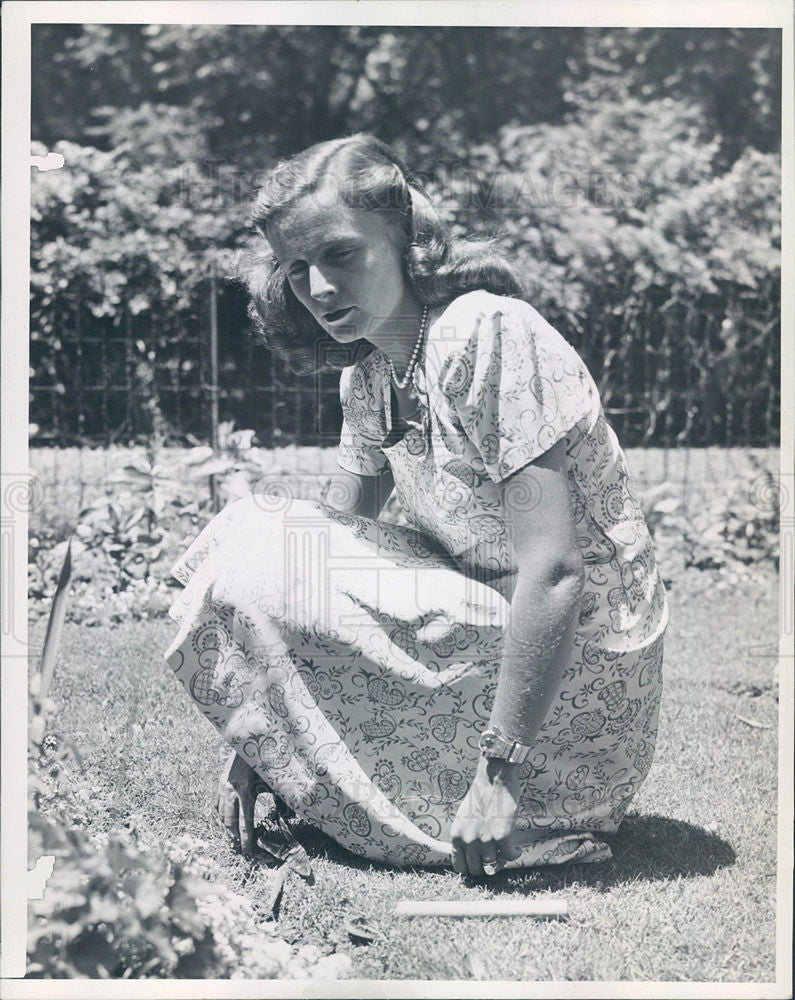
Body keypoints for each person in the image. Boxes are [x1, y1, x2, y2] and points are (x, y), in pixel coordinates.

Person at [164, 134, 668, 877]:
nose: (320, 290)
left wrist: (497, 778)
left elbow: (557, 571)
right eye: (297, 270)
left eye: (340, 255)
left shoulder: (484, 333)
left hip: (576, 684)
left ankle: (515, 809)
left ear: (408, 240)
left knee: (257, 540)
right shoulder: (370, 378)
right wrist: (260, 739)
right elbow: (324, 551)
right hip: (496, 646)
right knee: (265, 536)